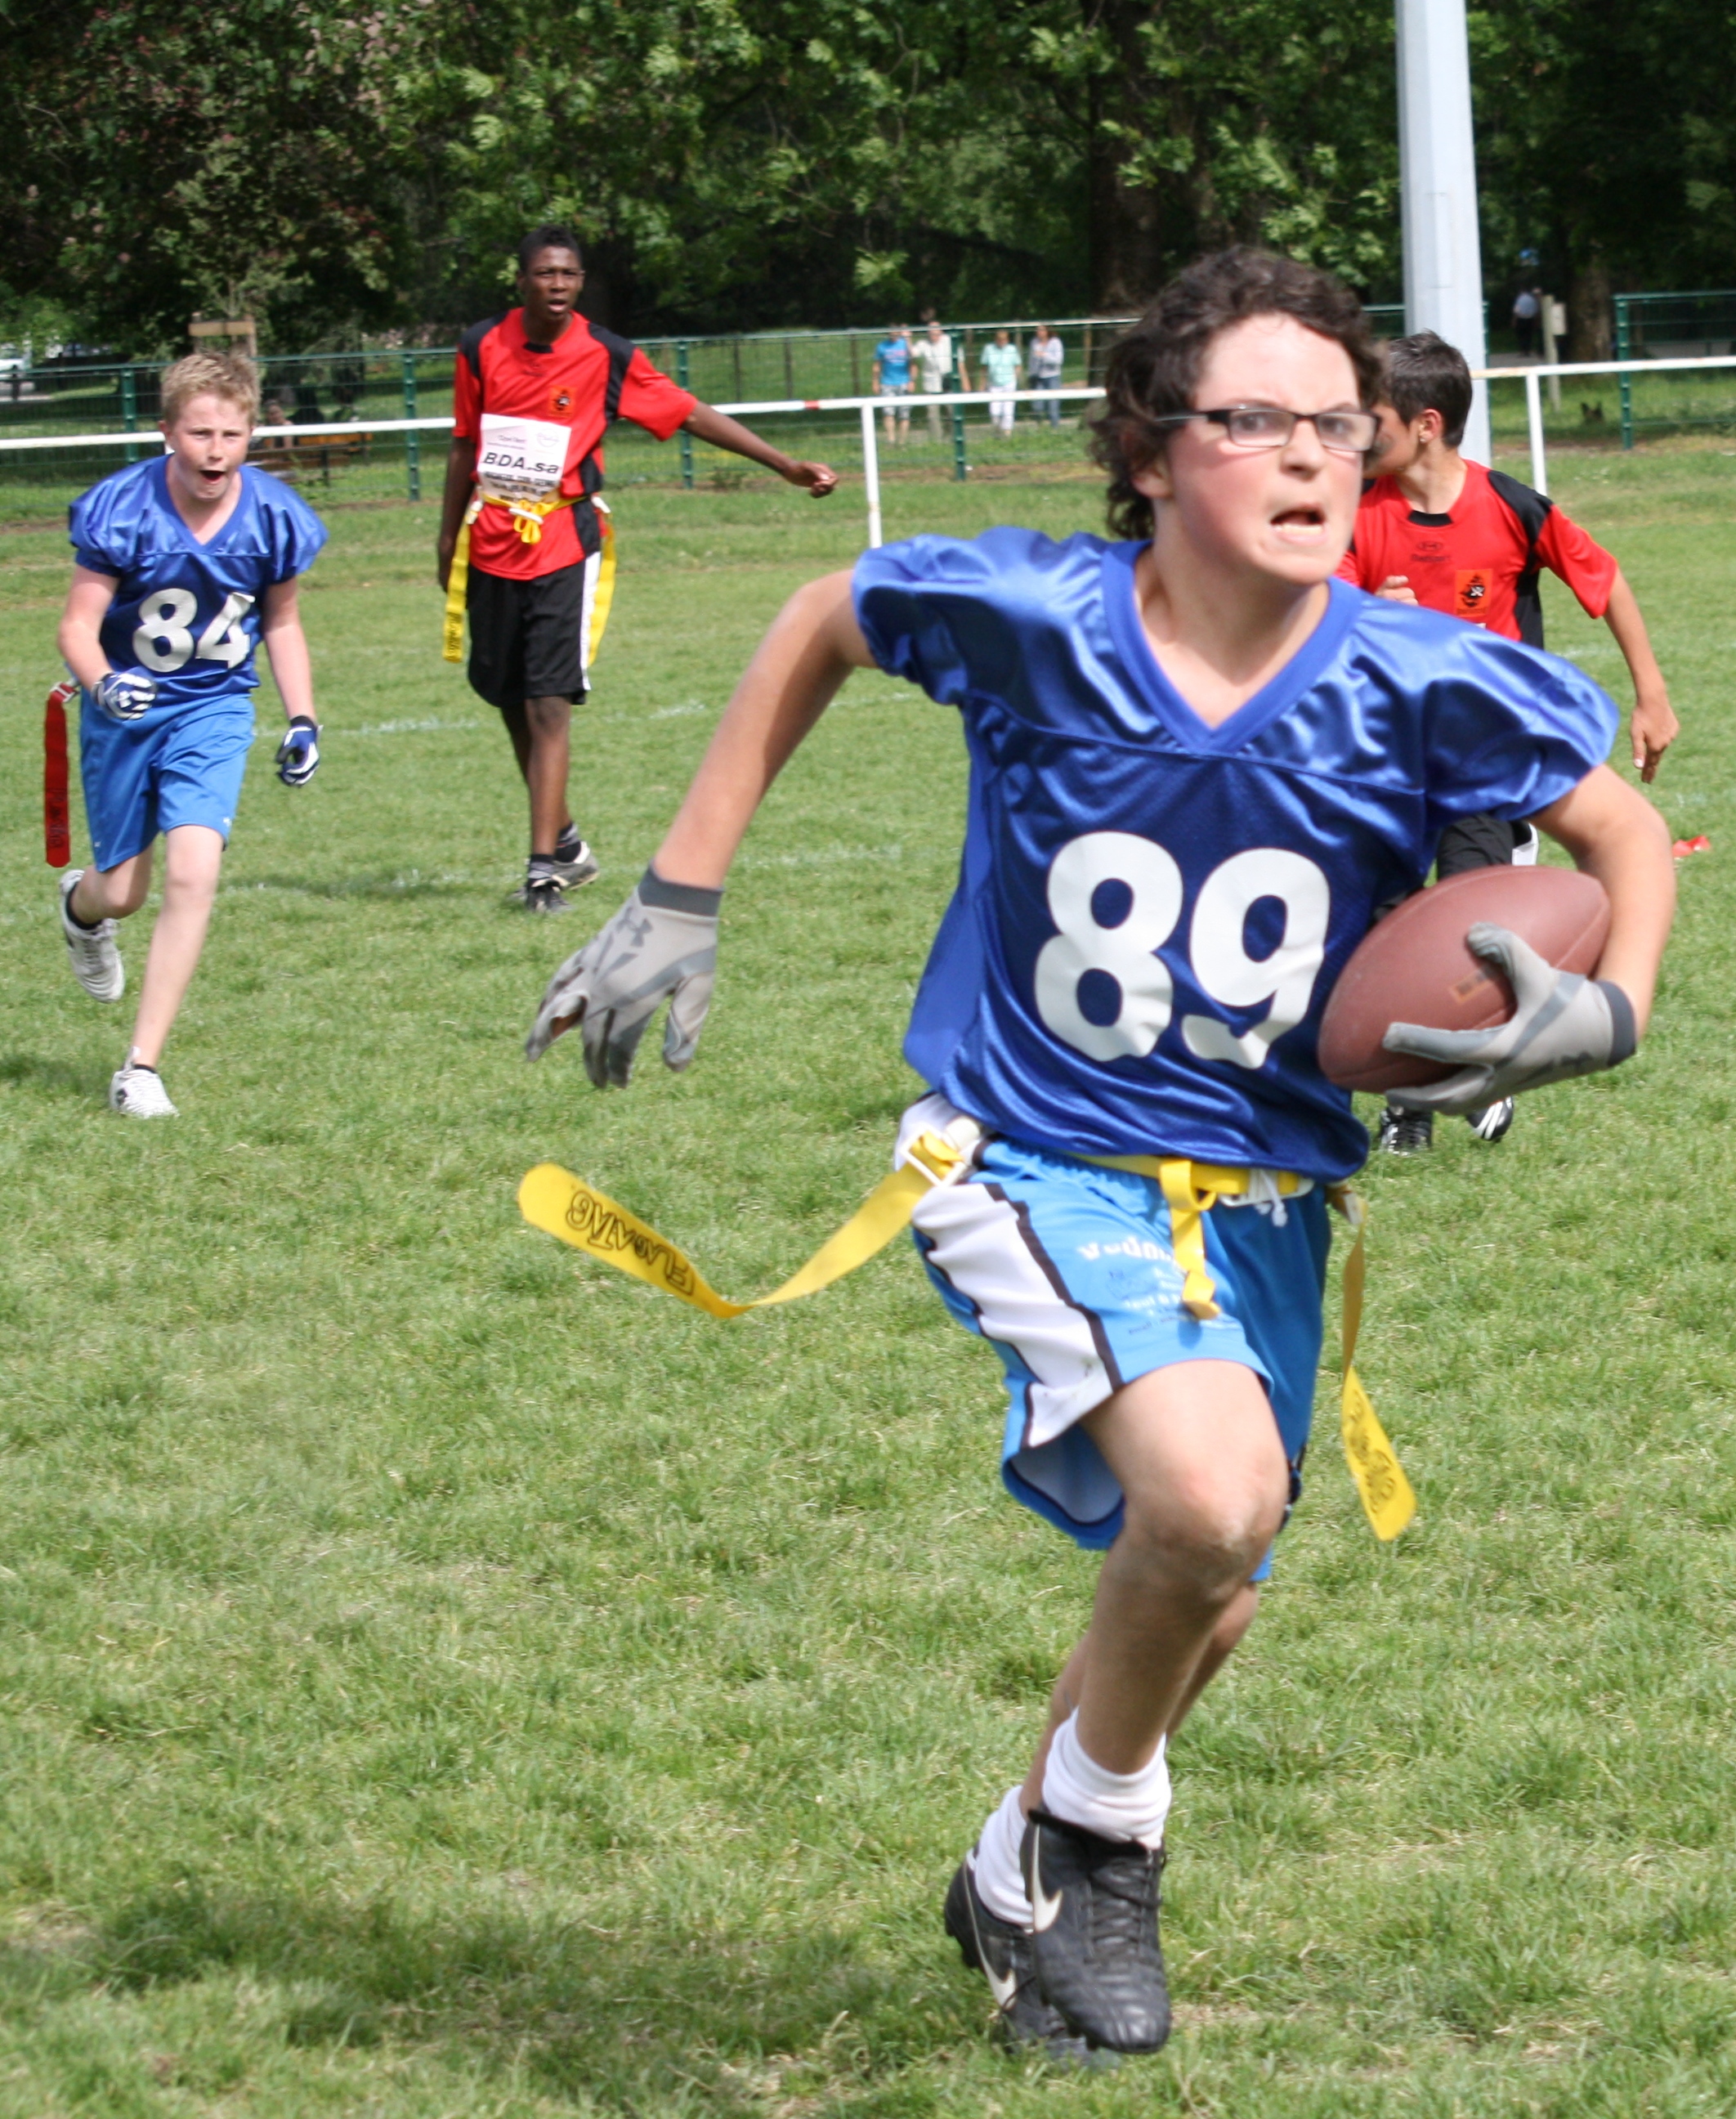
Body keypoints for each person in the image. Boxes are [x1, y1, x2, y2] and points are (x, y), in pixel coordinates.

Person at [523, 250, 1673, 2061]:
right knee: (1207, 1505)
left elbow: (1621, 833)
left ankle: (1012, 1861)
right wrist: (678, 891)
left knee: (1203, 1601)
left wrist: (1617, 1008)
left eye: (1336, 428)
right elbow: (825, 610)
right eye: (1255, 422)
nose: (1309, 460)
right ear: (1148, 449)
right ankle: (1105, 1839)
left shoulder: (1425, 675)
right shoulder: (1037, 614)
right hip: (1031, 1145)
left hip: (1274, 1191)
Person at [1339, 329, 1677, 1153]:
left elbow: (1607, 578)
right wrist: (1373, 619)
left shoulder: (1512, 508)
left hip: (1488, 756)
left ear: (1424, 424)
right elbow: (1318, 630)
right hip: (1387, 762)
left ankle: (1495, 1067)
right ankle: (1405, 1108)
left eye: (1367, 416)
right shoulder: (1355, 512)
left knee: (1471, 919)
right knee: (1387, 930)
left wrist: (1652, 694)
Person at [436, 225, 838, 914]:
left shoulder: (604, 354)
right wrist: (447, 537)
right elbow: (463, 444)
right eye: (544, 273)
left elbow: (688, 412)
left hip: (564, 540)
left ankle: (542, 872)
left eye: (568, 274)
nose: (557, 285)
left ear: (579, 281)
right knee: (506, 697)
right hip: (493, 539)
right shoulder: (480, 345)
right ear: (521, 279)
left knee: (547, 701)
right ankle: (562, 839)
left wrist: (783, 464)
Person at [55, 351, 328, 1118]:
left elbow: (282, 621)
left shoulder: (272, 515)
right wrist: (105, 681)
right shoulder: (122, 508)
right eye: (200, 432)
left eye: (232, 434)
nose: (216, 449)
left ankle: (140, 1067)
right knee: (124, 891)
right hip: (126, 709)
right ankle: (82, 907)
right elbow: (76, 627)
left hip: (214, 705)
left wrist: (303, 716)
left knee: (194, 871)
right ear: (166, 431)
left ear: (250, 436)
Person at [912, 320, 958, 442]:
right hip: (931, 383)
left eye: (936, 333)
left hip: (948, 381)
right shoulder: (923, 344)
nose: (934, 336)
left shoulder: (949, 341)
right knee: (932, 415)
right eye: (931, 333)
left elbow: (959, 359)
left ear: (941, 332)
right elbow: (913, 354)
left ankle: (952, 437)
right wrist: (907, 339)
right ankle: (936, 441)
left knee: (952, 412)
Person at [873, 325, 914, 444]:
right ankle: (891, 439)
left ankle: (902, 441)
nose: (893, 334)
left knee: (904, 414)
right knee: (888, 413)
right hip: (887, 383)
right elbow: (877, 365)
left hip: (904, 382)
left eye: (895, 331)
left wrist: (912, 381)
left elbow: (913, 362)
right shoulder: (882, 346)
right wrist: (875, 382)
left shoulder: (905, 344)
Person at [981, 328, 1022, 433]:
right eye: (999, 339)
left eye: (1004, 339)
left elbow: (1018, 365)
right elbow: (984, 368)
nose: (1001, 341)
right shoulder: (989, 349)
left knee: (1008, 411)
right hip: (994, 383)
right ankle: (997, 432)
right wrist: (983, 384)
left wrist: (1014, 378)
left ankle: (1007, 434)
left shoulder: (1012, 349)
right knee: (995, 411)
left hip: (1009, 382)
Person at [1027, 324, 1066, 426]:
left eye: (1041, 330)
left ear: (1047, 331)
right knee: (1037, 406)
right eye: (1037, 330)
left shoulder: (1055, 342)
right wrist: (1031, 374)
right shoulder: (1034, 343)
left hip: (1052, 377)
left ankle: (1055, 430)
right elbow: (1032, 360)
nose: (1038, 332)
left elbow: (1058, 360)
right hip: (1038, 377)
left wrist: (1044, 356)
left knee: (1053, 407)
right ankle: (1040, 427)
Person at [1511, 286, 1541, 358]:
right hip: (1530, 319)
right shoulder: (1532, 299)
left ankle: (1522, 350)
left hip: (1521, 319)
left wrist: (1514, 321)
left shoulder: (1520, 299)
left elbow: (1517, 311)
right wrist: (1536, 321)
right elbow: (1536, 311)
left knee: (1521, 335)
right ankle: (1527, 350)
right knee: (1529, 335)